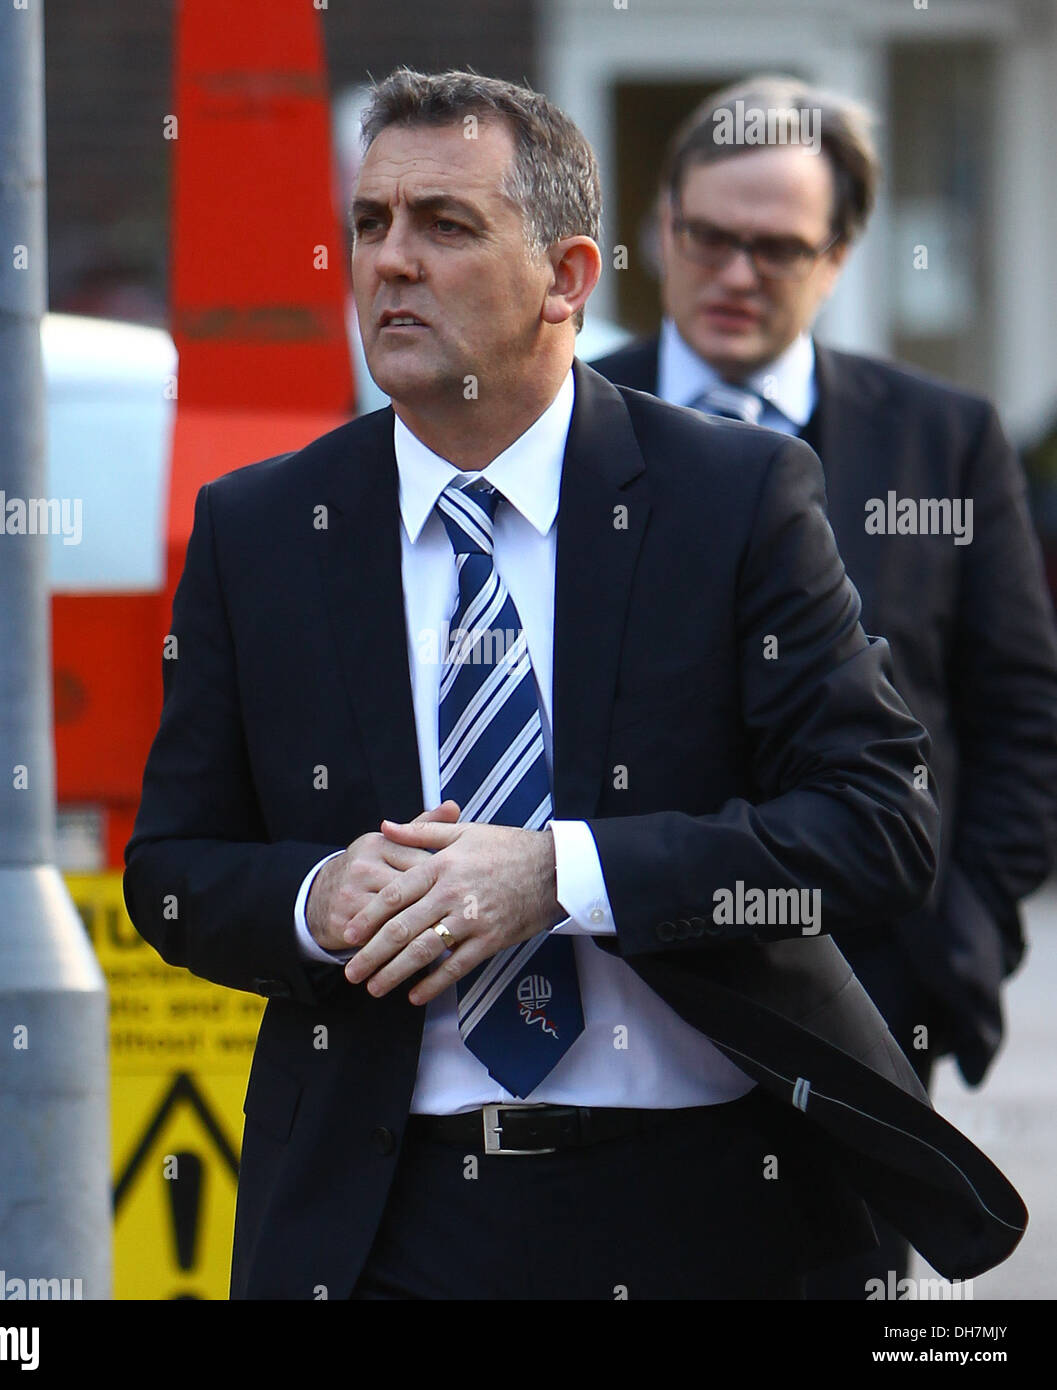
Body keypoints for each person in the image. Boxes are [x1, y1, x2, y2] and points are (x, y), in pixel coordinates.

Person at [124, 68, 1027, 1301]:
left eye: (445, 225)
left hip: (713, 1208)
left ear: (566, 277)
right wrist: (315, 896)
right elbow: (171, 870)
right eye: (371, 223)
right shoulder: (262, 527)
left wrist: (560, 873)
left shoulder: (733, 500)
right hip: (388, 1218)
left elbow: (876, 824)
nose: (391, 261)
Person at [591, 73, 1057, 1295]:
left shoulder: (940, 440)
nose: (736, 272)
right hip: (621, 990)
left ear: (839, 253)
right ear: (657, 227)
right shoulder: (575, 431)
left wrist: (956, 953)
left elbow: (1021, 717)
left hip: (866, 1008)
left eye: (778, 245)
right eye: (708, 236)